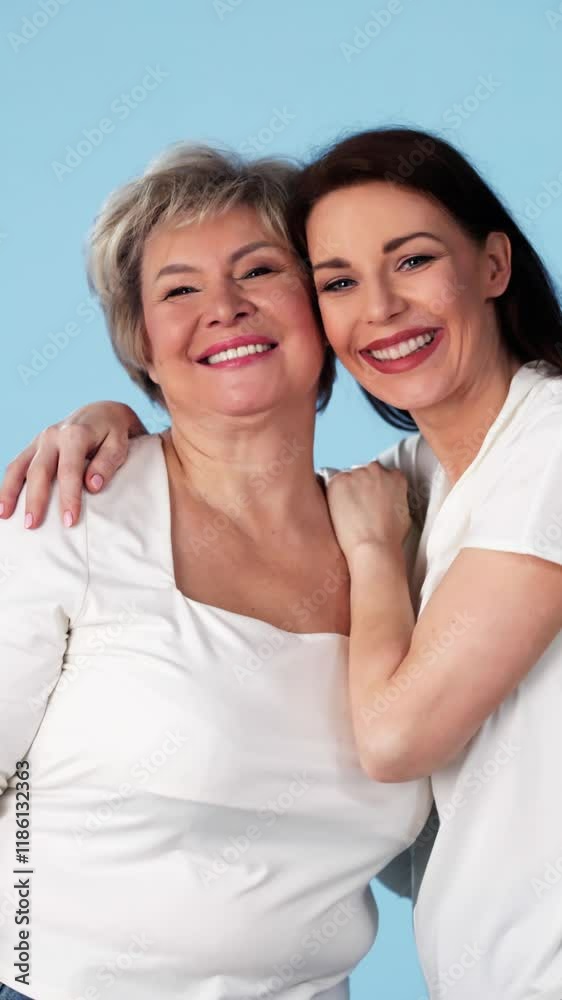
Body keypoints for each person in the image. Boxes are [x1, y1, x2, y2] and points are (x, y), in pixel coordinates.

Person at [10, 127, 562, 1000]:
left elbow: (417, 765)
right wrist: (101, 417)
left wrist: (375, 554)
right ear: (141, 344)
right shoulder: (70, 511)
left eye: (260, 271)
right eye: (179, 289)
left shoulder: (402, 521)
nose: (224, 307)